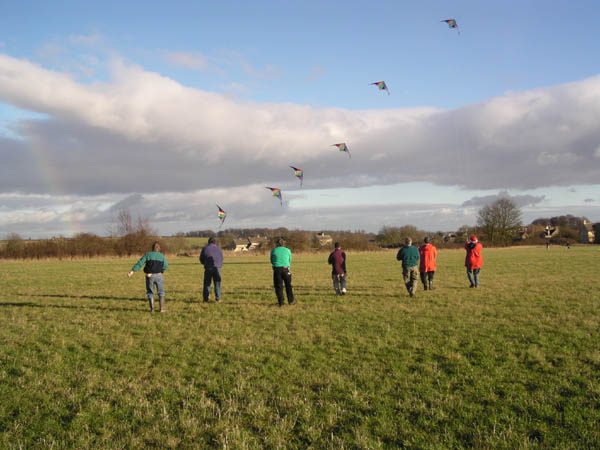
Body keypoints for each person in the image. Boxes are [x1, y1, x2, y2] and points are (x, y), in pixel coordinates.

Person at [128, 241, 168, 312]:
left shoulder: (147, 254)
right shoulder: (162, 256)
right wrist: (161, 271)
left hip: (149, 276)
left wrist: (132, 271)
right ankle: (161, 309)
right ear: (159, 248)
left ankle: (152, 309)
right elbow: (165, 266)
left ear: (152, 248)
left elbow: (140, 263)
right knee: (161, 292)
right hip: (159, 275)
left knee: (150, 292)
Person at [270, 238, 295, 306]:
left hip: (277, 269)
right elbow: (289, 259)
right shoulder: (287, 250)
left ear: (277, 244)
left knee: (278, 286)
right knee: (288, 286)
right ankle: (291, 301)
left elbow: (271, 260)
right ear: (284, 243)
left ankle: (281, 302)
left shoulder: (273, 250)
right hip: (286, 269)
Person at [199, 237, 224, 303]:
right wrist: (219, 265)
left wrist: (204, 263)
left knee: (207, 283)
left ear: (208, 242)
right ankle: (218, 298)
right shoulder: (219, 249)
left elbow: (201, 258)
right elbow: (221, 258)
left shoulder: (205, 248)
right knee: (217, 283)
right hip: (217, 268)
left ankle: (206, 299)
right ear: (215, 242)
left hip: (208, 267)